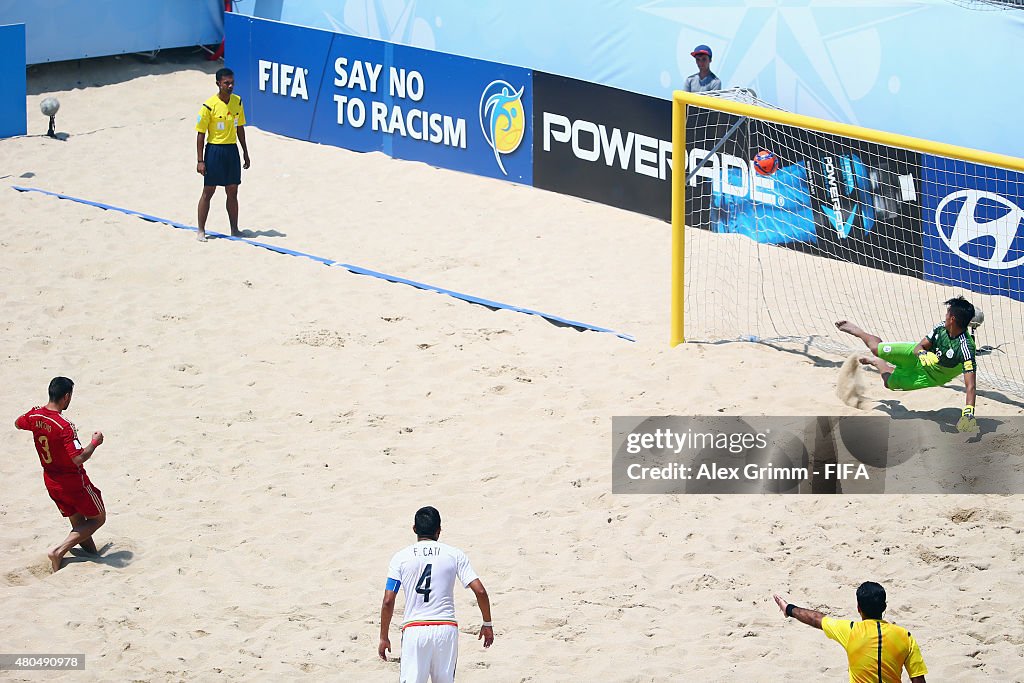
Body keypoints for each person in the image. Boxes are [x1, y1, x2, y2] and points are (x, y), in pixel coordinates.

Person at [378, 506, 493, 682]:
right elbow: (480, 591)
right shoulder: (454, 554)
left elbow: (388, 601)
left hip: (414, 629)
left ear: (414, 529)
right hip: (446, 629)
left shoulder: (400, 558)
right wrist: (487, 623)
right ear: (439, 530)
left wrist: (384, 636)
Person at [835, 295, 978, 433]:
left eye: (947, 313)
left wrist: (968, 413)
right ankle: (859, 332)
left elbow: (970, 385)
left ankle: (878, 363)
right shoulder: (941, 328)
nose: (945, 316)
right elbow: (919, 347)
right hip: (919, 356)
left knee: (888, 383)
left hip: (934, 375)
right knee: (876, 349)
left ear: (952, 319)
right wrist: (922, 354)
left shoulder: (966, 348)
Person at [15, 377, 106, 573]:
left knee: (79, 524)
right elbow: (78, 458)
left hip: (51, 480)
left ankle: (92, 554)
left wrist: (34, 412)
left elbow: (18, 423)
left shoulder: (35, 416)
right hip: (73, 482)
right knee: (98, 518)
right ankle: (59, 550)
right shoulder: (64, 426)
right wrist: (95, 442)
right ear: (66, 397)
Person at [773, 583, 927, 683]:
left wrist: (789, 609)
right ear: (884, 607)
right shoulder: (905, 637)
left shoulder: (850, 631)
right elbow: (918, 680)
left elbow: (816, 619)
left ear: (858, 608)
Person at [195, 67, 251, 242]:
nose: (230, 85)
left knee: (232, 190)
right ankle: (201, 230)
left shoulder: (238, 102)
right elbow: (201, 134)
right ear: (218, 83)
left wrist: (245, 152)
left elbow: (240, 127)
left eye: (232, 82)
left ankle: (234, 229)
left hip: (231, 150)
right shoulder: (208, 105)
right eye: (226, 83)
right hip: (214, 150)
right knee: (208, 191)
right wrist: (200, 160)